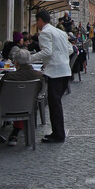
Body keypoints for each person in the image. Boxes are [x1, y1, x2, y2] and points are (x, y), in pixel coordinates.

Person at [0, 48, 45, 147]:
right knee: (22, 100)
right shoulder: (39, 76)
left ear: (16, 62)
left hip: (6, 108)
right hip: (28, 107)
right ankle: (14, 133)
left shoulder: (9, 77)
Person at [30, 9, 72, 143]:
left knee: (55, 105)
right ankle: (57, 132)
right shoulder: (60, 32)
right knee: (56, 103)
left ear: (40, 20)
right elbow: (70, 49)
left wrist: (29, 59)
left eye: (37, 21)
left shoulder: (45, 33)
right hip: (65, 70)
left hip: (55, 72)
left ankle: (58, 134)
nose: (37, 24)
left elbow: (47, 52)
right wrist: (62, 58)